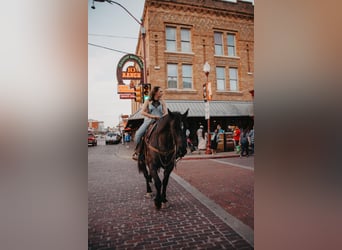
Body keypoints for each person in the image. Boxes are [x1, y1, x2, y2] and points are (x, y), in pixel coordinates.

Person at [132, 86, 167, 160]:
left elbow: (166, 112)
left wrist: (162, 117)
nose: (162, 93)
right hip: (149, 120)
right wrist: (152, 116)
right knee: (138, 134)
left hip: (160, 120)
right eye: (160, 91)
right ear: (156, 92)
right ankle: (138, 151)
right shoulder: (148, 101)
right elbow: (142, 112)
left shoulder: (162, 101)